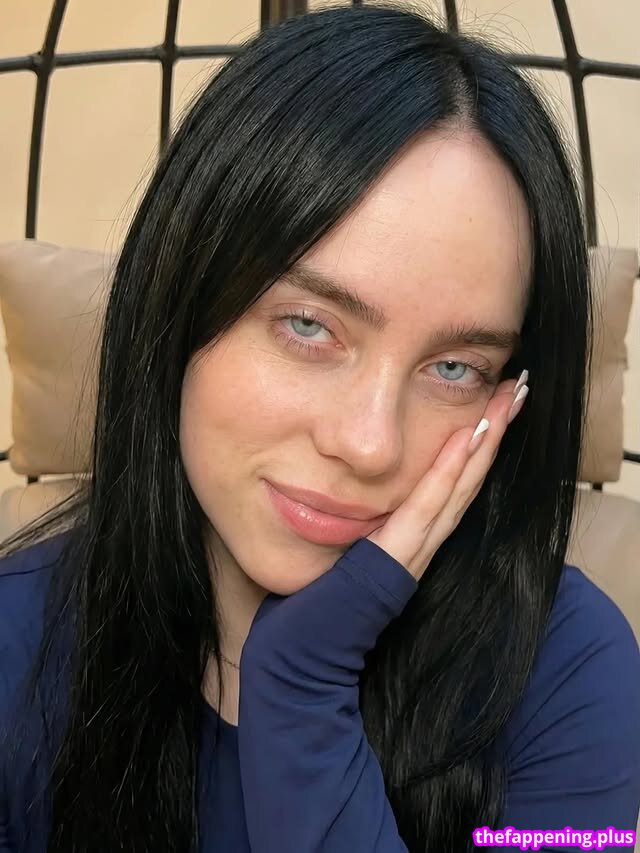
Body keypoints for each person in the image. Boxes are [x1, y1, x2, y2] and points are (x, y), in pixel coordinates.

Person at [1, 4, 639, 852]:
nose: (370, 444)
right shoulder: (15, 640)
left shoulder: (571, 668)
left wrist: (301, 689)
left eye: (455, 368)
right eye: (308, 325)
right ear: (177, 302)